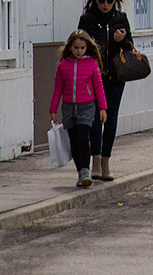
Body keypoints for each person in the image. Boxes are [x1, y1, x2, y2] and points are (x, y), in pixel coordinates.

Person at [78, 0, 133, 181]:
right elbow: (78, 44)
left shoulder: (121, 19)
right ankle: (96, 160)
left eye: (110, 1)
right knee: (94, 118)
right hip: (93, 76)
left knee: (110, 117)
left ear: (115, 1)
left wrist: (122, 40)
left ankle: (106, 161)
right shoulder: (88, 19)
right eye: (102, 1)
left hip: (115, 76)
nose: (105, 5)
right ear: (96, 0)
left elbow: (130, 47)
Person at [49, 29, 107, 188]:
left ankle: (86, 171)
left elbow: (98, 87)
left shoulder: (92, 64)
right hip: (68, 107)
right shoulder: (63, 66)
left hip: (87, 106)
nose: (79, 51)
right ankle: (80, 172)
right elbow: (58, 88)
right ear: (70, 47)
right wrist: (53, 109)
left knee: (83, 137)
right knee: (74, 141)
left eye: (82, 48)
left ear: (87, 47)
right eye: (76, 48)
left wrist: (103, 108)